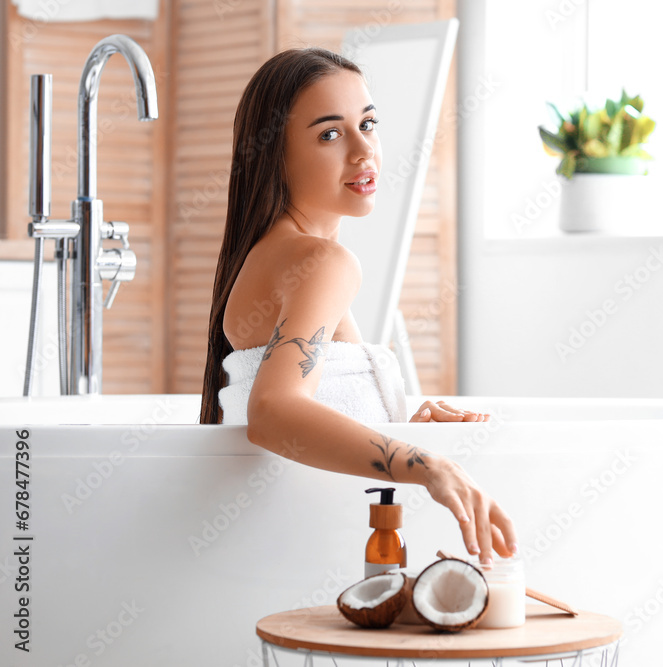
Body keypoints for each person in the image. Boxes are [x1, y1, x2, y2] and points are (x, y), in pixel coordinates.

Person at [199, 47, 516, 564]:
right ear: (275, 154)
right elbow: (273, 411)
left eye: (368, 124)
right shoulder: (323, 262)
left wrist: (399, 422)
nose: (363, 151)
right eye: (330, 133)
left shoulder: (268, 258)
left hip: (281, 549)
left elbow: (304, 408)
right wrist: (425, 464)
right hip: (319, 556)